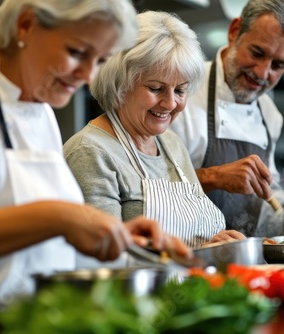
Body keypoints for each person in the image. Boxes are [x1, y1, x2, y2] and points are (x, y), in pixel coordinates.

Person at [0, 1, 191, 333]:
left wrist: (116, 238)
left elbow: (43, 247)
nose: (87, 76)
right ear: (26, 24)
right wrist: (61, 217)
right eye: (77, 52)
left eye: (98, 60)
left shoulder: (38, 107)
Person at [64, 10, 246, 250]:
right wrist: (194, 254)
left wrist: (223, 246)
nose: (170, 104)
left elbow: (198, 233)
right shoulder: (91, 152)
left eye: (180, 91)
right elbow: (105, 252)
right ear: (121, 84)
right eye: (156, 88)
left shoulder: (171, 144)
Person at [169, 0, 284, 237]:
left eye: (278, 65)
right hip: (185, 256)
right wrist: (215, 177)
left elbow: (264, 199)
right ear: (235, 31)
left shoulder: (270, 115)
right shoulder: (180, 89)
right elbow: (149, 187)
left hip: (245, 259)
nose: (262, 73)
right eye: (257, 53)